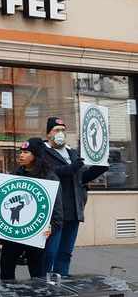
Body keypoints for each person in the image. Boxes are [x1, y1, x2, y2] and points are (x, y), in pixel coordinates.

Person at [42, 117, 108, 276]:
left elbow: (80, 178)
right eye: (57, 130)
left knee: (65, 253)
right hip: (55, 212)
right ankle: (44, 286)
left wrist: (100, 168)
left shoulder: (72, 153)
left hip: (73, 210)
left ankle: (62, 284)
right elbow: (48, 173)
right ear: (48, 134)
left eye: (63, 130)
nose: (61, 133)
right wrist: (71, 168)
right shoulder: (43, 152)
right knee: (49, 254)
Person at [0, 138, 63, 280]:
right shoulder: (13, 176)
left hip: (36, 234)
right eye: (20, 152)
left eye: (26, 152)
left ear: (36, 155)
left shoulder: (50, 179)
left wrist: (53, 227)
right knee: (6, 271)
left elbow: (57, 210)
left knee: (37, 275)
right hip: (13, 234)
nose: (21, 155)